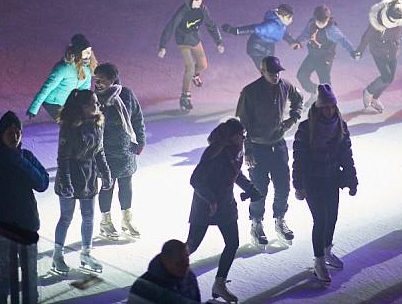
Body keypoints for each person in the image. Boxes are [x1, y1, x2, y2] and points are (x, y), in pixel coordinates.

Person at [0, 111, 49, 304]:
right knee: (5, 276)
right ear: (1, 133)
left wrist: (20, 161)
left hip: (27, 226)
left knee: (30, 275)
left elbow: (42, 183)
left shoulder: (26, 157)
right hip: (2, 229)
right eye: (10, 132)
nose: (15, 136)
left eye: (18, 132)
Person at [186, 118, 262, 304]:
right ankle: (163, 274)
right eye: (239, 136)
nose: (243, 139)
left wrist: (250, 189)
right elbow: (195, 180)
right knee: (192, 245)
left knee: (232, 243)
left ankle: (219, 284)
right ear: (230, 136)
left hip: (226, 204)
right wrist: (211, 200)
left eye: (243, 135)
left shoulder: (237, 150)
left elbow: (235, 173)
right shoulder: (214, 152)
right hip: (205, 206)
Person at [292, 84, 357, 286]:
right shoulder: (306, 128)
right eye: (325, 107)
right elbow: (298, 158)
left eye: (331, 107)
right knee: (320, 219)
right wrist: (298, 185)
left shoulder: (340, 125)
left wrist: (351, 178)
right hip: (312, 180)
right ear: (318, 108)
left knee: (332, 217)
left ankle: (327, 250)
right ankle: (319, 260)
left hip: (331, 179)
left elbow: (346, 154)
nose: (328, 110)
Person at [235, 56, 303, 248]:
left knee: (283, 186)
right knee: (259, 189)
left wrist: (293, 118)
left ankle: (280, 219)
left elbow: (298, 99)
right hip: (257, 148)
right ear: (262, 71)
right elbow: (242, 123)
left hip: (278, 145)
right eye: (272, 73)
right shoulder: (250, 92)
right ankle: (256, 222)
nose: (276, 76)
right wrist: (247, 150)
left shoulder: (284, 85)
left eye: (278, 72)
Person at [52, 89, 112, 274]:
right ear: (83, 107)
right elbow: (63, 158)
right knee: (66, 217)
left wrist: (106, 172)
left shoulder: (97, 123)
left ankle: (86, 253)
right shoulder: (69, 127)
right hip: (70, 175)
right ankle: (57, 255)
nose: (98, 106)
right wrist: (67, 182)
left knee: (88, 217)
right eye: (94, 103)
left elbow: (99, 150)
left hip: (88, 176)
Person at [93, 63, 146, 240]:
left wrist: (140, 140)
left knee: (126, 185)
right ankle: (105, 222)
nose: (98, 82)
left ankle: (126, 219)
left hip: (125, 150)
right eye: (96, 79)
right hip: (104, 151)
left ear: (112, 79)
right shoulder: (93, 99)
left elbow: (137, 117)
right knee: (107, 186)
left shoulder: (127, 95)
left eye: (102, 79)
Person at [158, 0, 224, 112]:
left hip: (194, 39)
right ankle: (185, 97)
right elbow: (170, 27)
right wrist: (163, 46)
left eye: (200, 1)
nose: (199, 4)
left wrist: (218, 41)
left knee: (203, 65)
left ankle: (195, 75)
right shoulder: (182, 12)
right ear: (189, 1)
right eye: (196, 1)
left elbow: (211, 25)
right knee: (189, 67)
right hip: (182, 41)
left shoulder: (203, 10)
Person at [294, 5, 358, 107]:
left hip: (325, 57)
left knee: (324, 82)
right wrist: (298, 41)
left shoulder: (332, 30)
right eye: (318, 21)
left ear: (328, 19)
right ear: (315, 18)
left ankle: (331, 105)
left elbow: (343, 40)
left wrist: (352, 52)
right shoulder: (311, 24)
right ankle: (316, 92)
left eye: (323, 21)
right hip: (313, 54)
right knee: (301, 75)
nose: (320, 24)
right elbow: (305, 33)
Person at [27, 34, 97, 120]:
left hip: (67, 102)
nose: (89, 54)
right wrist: (34, 108)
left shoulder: (87, 70)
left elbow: (84, 91)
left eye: (90, 51)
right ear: (78, 52)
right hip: (52, 102)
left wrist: (87, 105)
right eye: (86, 52)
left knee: (76, 122)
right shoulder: (63, 68)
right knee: (67, 123)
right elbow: (47, 87)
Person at [221, 4, 301, 70]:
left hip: (268, 47)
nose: (291, 20)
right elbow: (254, 29)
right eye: (289, 18)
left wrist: (291, 41)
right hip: (257, 47)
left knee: (272, 66)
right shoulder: (271, 26)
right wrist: (233, 30)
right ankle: (267, 79)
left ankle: (271, 80)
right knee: (266, 68)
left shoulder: (281, 25)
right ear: (281, 17)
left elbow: (283, 33)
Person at [128, 239, 201, 303]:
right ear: (165, 260)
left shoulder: (189, 277)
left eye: (187, 262)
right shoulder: (144, 287)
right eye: (179, 263)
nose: (185, 267)